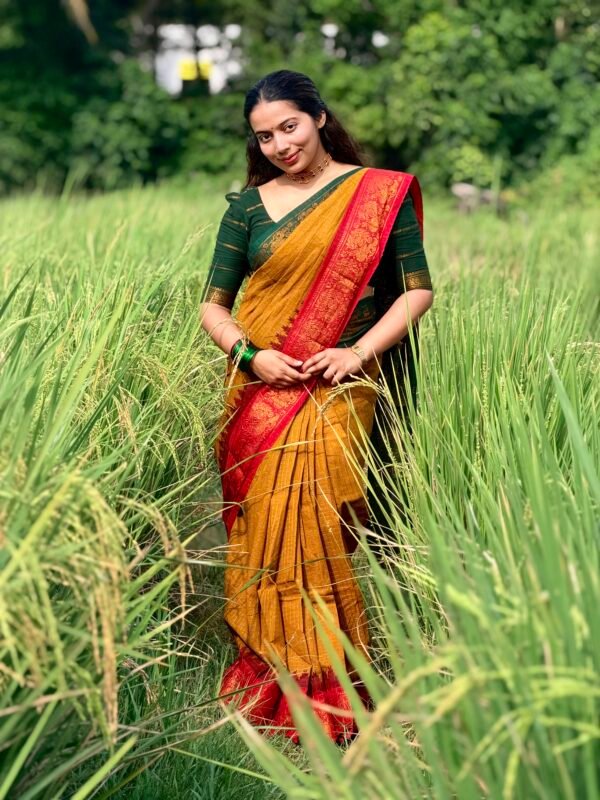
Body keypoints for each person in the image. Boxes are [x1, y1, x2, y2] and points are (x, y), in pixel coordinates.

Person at [199, 70, 434, 745]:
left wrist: (359, 354)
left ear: (319, 117)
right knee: (265, 528)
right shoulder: (246, 208)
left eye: (289, 126)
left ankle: (332, 681)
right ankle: (271, 669)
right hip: (261, 390)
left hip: (342, 385)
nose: (278, 143)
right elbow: (213, 306)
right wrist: (252, 357)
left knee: (318, 524)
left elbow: (416, 292)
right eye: (264, 135)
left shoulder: (376, 194)